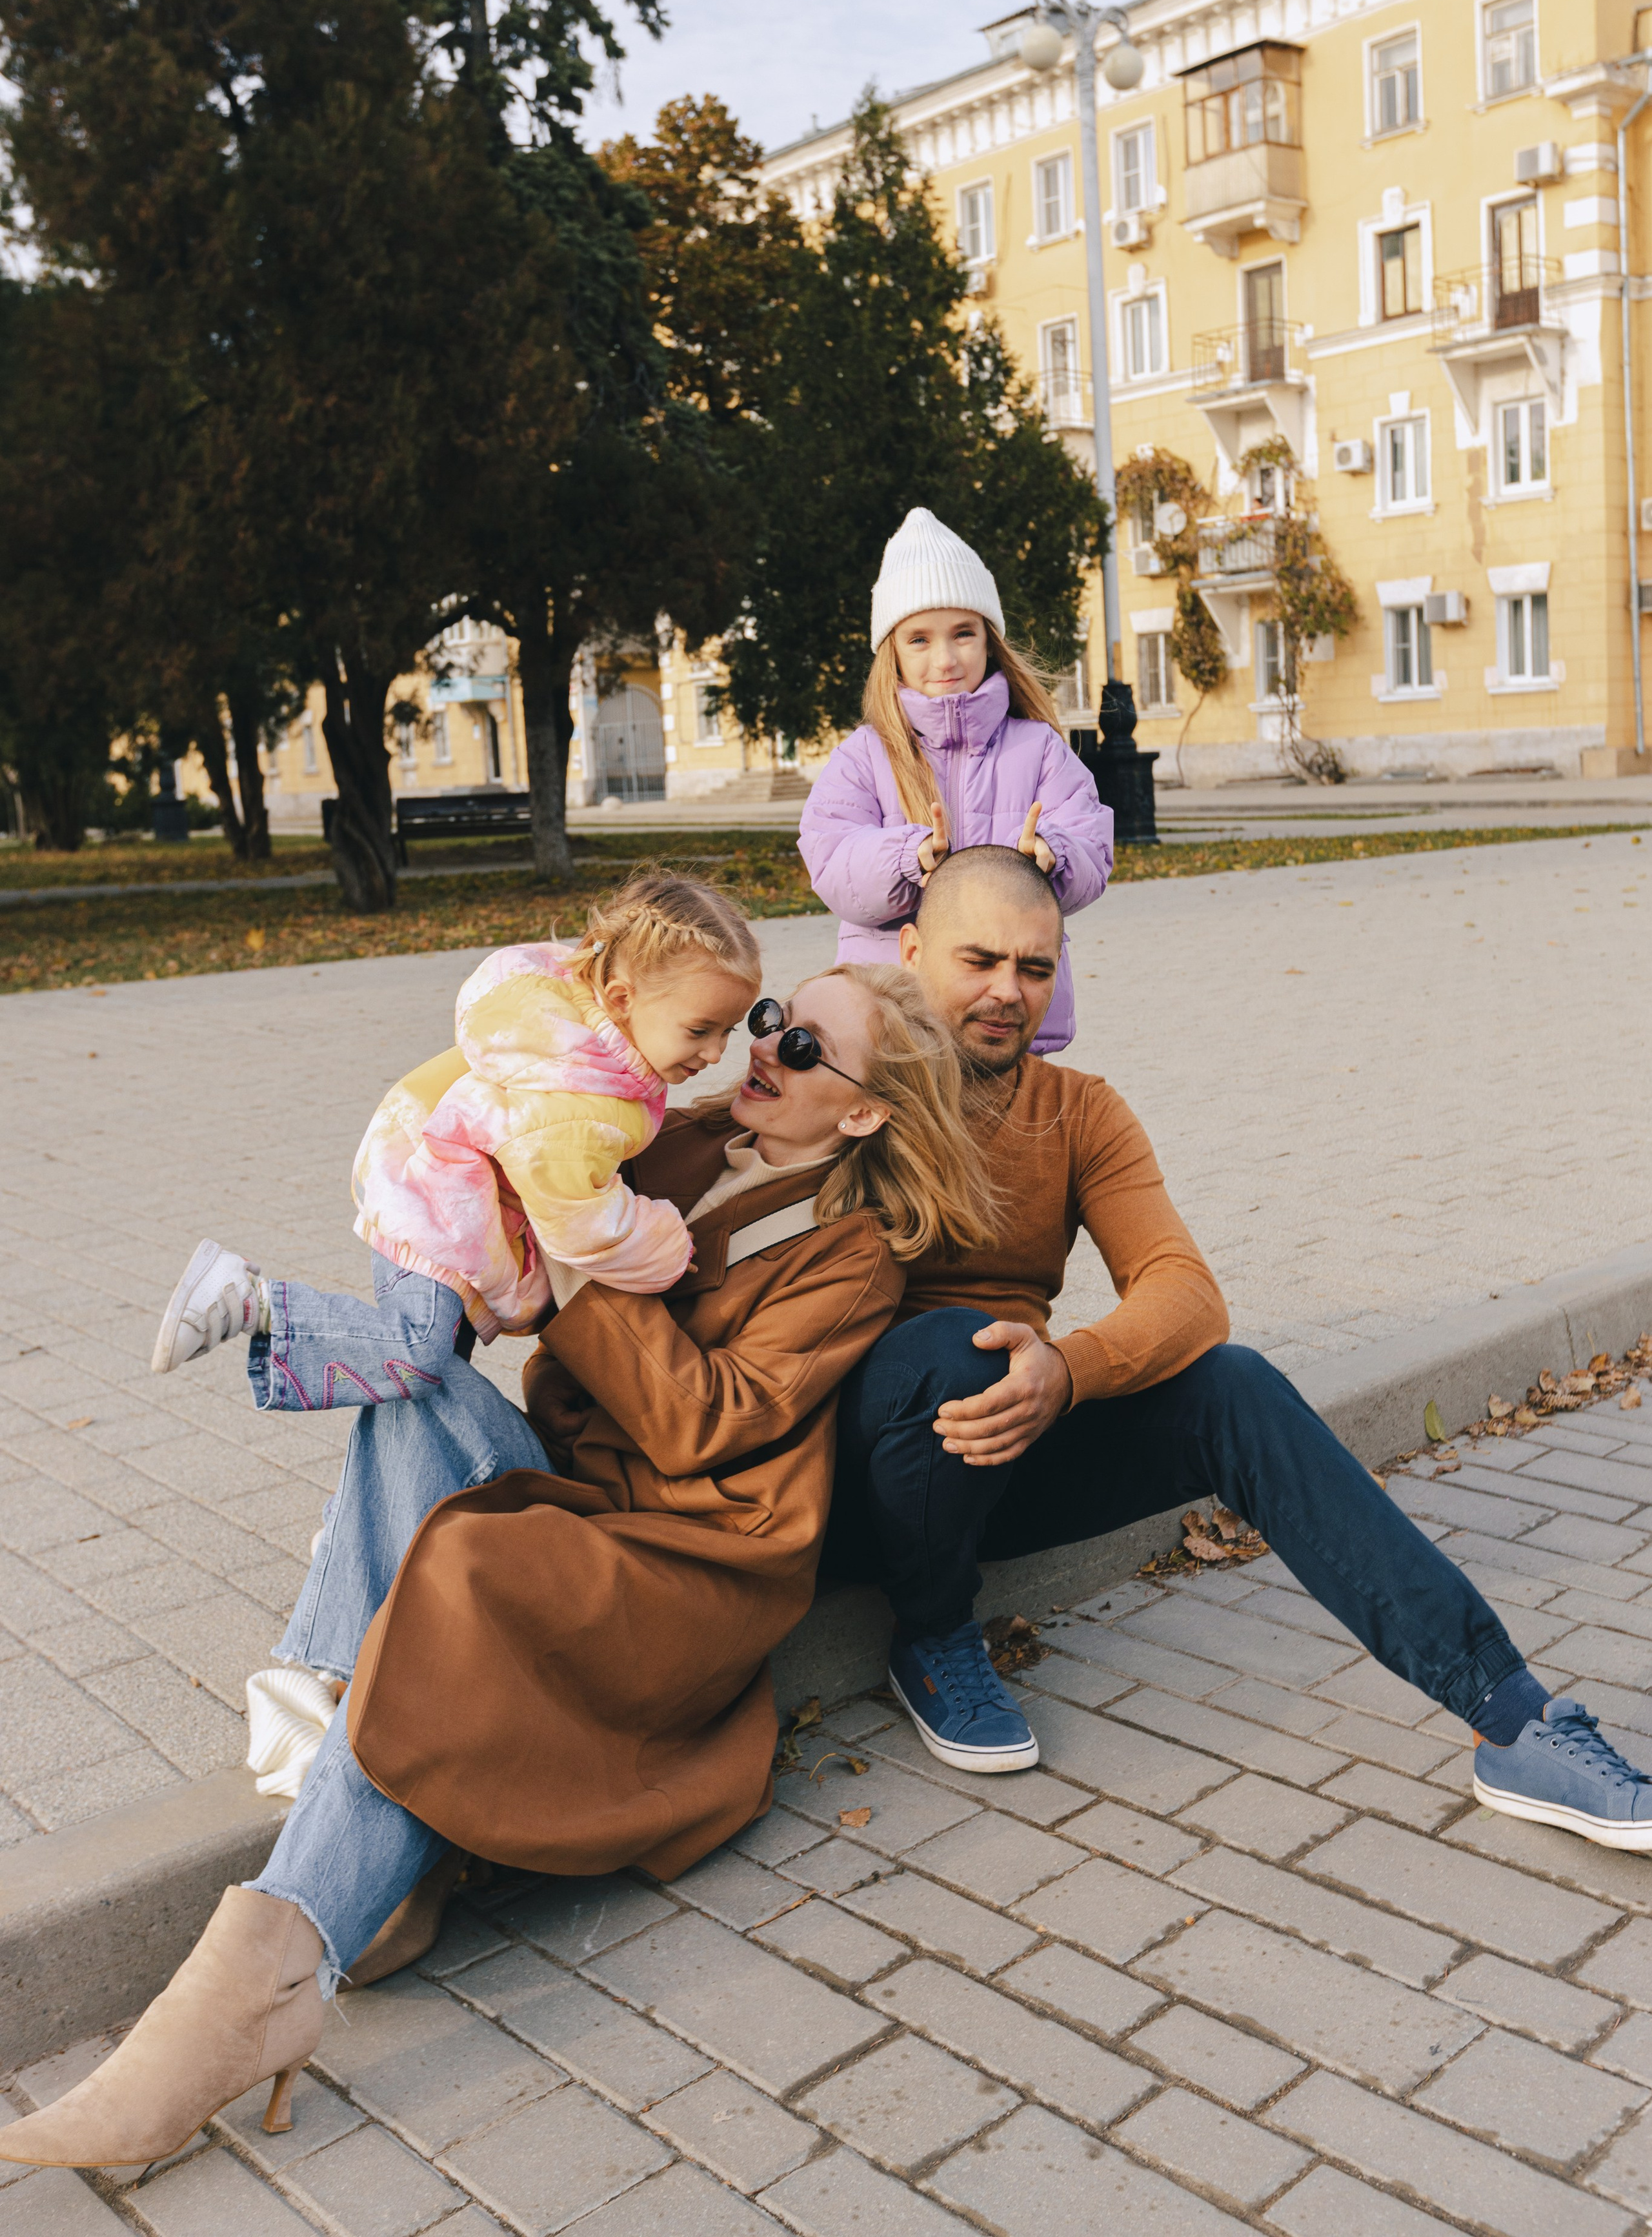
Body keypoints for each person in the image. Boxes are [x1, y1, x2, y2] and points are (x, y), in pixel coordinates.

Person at [0, 962, 996, 2172]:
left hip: (687, 1561)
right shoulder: (680, 1139)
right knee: (411, 1389)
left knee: (468, 1565)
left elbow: (702, 1423)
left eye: (802, 1047)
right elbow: (504, 1197)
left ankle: (252, 1988)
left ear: (866, 1111)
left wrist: (577, 1251)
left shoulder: (856, 1257)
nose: (764, 1045)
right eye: (771, 1018)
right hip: (579, 1489)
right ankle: (359, 1833)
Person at [826, 841, 1652, 1854]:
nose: (1008, 991)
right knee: (959, 1345)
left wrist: (1069, 1370)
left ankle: (1510, 1717)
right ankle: (934, 1632)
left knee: (1235, 1383)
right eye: (980, 960)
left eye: (1035, 967)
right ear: (911, 952)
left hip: (1002, 1453)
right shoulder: (840, 1074)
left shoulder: (1080, 1111)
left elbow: (1186, 1293)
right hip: (849, 1483)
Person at [148, 869, 761, 1392]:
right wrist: (664, 1244)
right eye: (699, 1029)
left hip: (445, 1189)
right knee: (418, 1355)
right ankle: (249, 1302)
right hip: (432, 1197)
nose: (716, 1053)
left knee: (426, 1375)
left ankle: (364, 1504)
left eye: (728, 1031)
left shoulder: (589, 1038)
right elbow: (582, 1226)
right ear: (623, 999)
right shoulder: (575, 1096)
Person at [799, 505, 1113, 1054]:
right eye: (919, 639)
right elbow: (831, 861)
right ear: (892, 652)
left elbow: (1093, 849)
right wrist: (906, 858)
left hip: (1006, 1018)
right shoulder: (864, 756)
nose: (945, 659)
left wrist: (1054, 856)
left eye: (963, 633)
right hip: (897, 1019)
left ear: (990, 639)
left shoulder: (1039, 748)